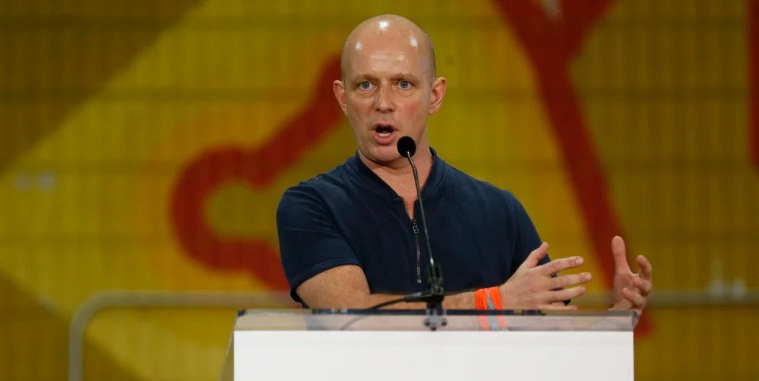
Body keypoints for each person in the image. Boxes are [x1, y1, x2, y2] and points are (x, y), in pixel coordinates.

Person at [276, 14, 652, 312]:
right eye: (366, 85)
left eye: (403, 84)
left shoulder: (499, 213)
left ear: (435, 96)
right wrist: (493, 303)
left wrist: (615, 324)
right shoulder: (311, 207)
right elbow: (353, 316)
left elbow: (556, 349)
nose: (383, 102)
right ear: (342, 98)